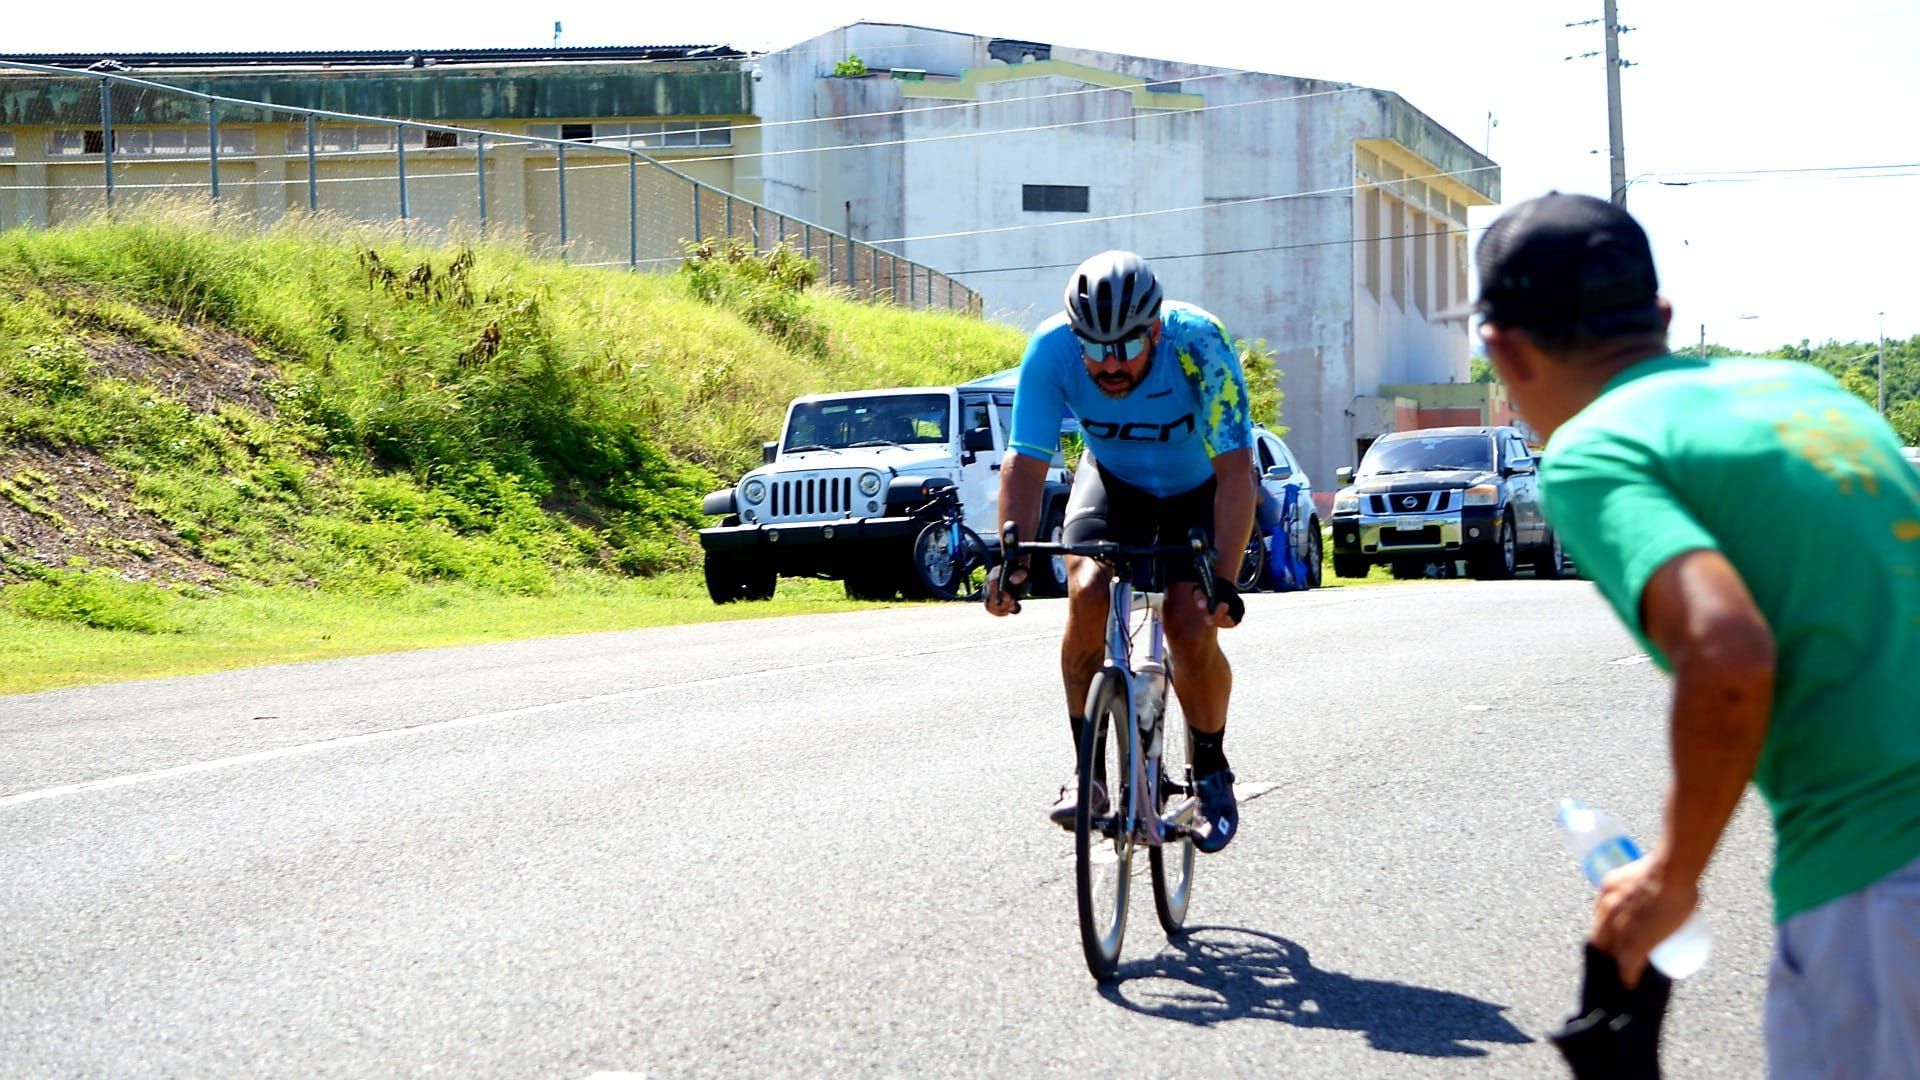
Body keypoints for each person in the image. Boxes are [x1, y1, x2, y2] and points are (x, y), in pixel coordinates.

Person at [1476, 191, 1920, 1075]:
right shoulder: (1807, 392)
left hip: (1879, 881)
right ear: (1663, 317)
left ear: (1505, 350)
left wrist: (1670, 881)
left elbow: (1728, 655)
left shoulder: (1599, 449)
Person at [984, 250, 1255, 853]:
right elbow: (1024, 462)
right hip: (1115, 482)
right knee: (1085, 593)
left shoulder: (1198, 342)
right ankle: (1089, 775)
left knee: (1189, 624)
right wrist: (1011, 561)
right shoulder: (1051, 349)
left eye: (1126, 347)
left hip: (1200, 491)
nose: (1109, 363)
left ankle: (1212, 771)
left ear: (1154, 331)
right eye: (1095, 348)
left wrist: (1224, 581)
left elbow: (1237, 472)